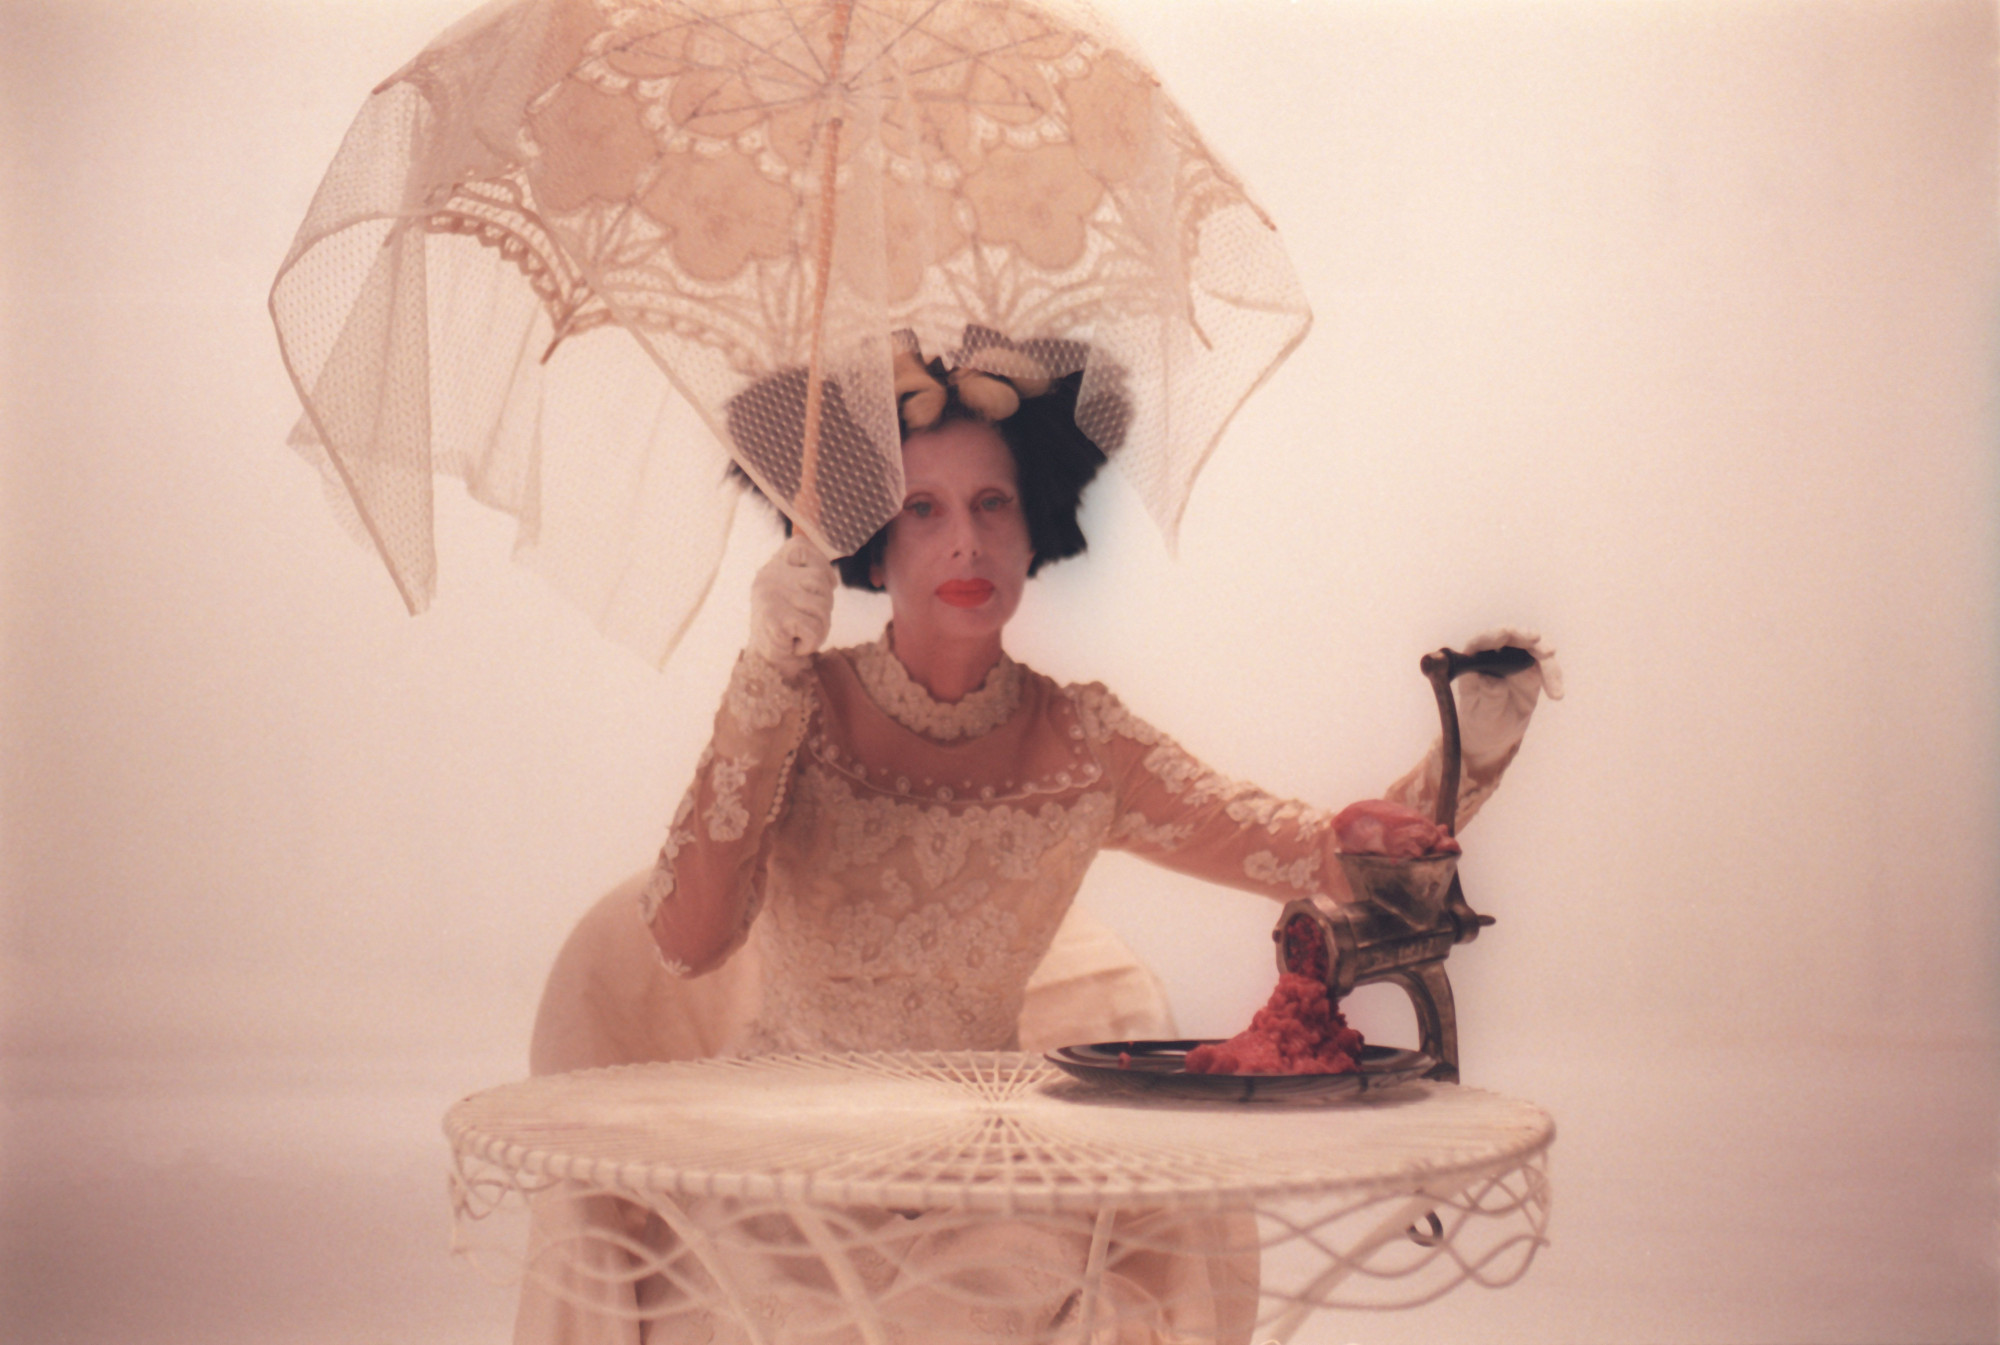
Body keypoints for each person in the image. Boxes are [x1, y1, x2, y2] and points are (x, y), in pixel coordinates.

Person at [534, 331, 1559, 1343]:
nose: (965, 543)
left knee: (1065, 1281)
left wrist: (1467, 749)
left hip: (988, 1183)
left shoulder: (1085, 741)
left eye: (993, 503)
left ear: (1035, 531)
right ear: (872, 544)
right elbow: (687, 939)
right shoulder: (800, 705)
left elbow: (1319, 854)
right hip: (784, 1176)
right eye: (923, 509)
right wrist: (765, 672)